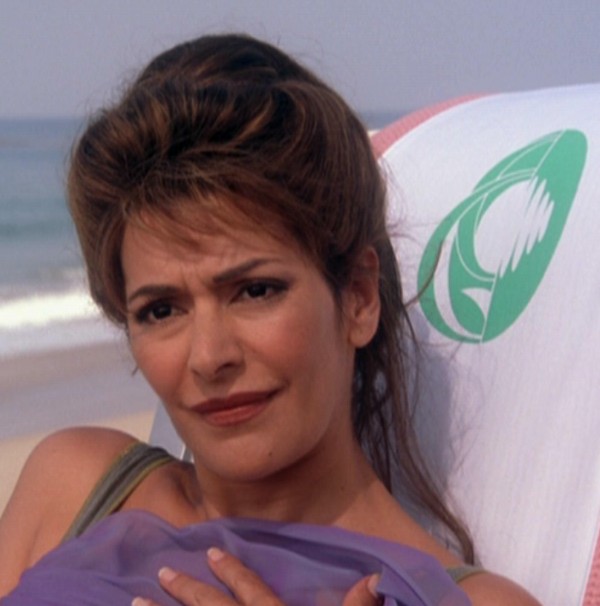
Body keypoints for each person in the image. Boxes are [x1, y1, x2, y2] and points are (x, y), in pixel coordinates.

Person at [0, 34, 539, 605]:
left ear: (358, 298)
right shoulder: (75, 487)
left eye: (255, 291)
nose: (209, 357)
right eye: (161, 310)